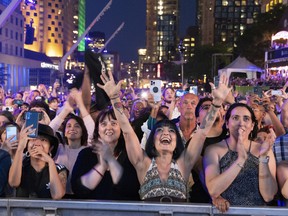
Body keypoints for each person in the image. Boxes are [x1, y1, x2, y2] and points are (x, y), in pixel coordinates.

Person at [97, 71, 231, 202]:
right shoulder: (142, 163)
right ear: (153, 140)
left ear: (176, 140)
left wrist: (217, 103)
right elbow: (126, 131)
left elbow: (202, 132)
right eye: (160, 130)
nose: (166, 133)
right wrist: (114, 98)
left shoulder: (184, 163)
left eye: (171, 131)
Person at [204, 103, 278, 212]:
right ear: (227, 123)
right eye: (235, 118)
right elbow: (213, 190)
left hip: (257, 213)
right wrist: (240, 160)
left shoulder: (264, 150)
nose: (241, 123)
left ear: (252, 125)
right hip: (226, 213)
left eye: (246, 119)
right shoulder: (214, 150)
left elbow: (269, 196)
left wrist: (263, 156)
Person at [71, 108, 140, 200]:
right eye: (103, 124)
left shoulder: (131, 154)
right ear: (98, 130)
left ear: (121, 129)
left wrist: (110, 160)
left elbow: (130, 189)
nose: (108, 127)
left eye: (114, 123)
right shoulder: (86, 154)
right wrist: (102, 166)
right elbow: (79, 190)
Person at [8, 124, 67, 199]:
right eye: (33, 139)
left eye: (43, 140)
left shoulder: (59, 168)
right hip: (23, 210)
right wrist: (20, 148)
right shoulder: (20, 166)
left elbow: (57, 195)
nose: (37, 143)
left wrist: (50, 162)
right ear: (27, 144)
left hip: (48, 210)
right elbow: (13, 183)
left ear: (50, 148)